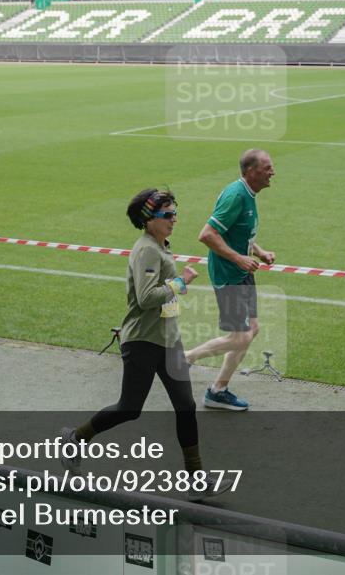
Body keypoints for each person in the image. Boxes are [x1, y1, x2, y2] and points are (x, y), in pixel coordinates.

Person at [59, 188, 231, 500]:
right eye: (167, 215)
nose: (174, 219)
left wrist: (174, 298)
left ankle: (196, 479)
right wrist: (181, 283)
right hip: (143, 342)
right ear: (149, 220)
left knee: (186, 405)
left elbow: (161, 298)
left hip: (169, 342)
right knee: (129, 408)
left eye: (175, 212)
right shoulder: (147, 251)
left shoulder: (162, 246)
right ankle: (75, 438)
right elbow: (146, 297)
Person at [184, 149, 276, 411]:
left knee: (250, 331)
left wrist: (258, 252)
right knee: (240, 337)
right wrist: (239, 259)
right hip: (229, 275)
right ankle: (184, 358)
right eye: (267, 167)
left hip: (242, 272)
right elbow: (207, 234)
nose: (273, 172)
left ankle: (218, 390)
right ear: (250, 171)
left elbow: (237, 230)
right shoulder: (236, 195)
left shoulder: (248, 194)